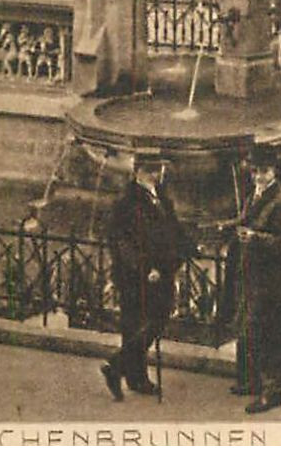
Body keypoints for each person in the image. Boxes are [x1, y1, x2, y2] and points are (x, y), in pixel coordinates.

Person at [101, 151, 191, 401]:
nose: (157, 175)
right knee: (138, 323)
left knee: (155, 319)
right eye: (151, 170)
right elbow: (121, 242)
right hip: (137, 274)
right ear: (137, 172)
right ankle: (127, 373)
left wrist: (188, 247)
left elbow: (172, 227)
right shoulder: (127, 202)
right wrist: (144, 268)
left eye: (159, 170)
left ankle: (126, 372)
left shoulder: (160, 196)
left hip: (161, 270)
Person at [229, 143, 281, 414]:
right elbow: (249, 219)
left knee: (269, 333)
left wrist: (255, 238)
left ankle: (273, 392)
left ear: (274, 171)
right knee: (250, 328)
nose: (258, 176)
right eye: (255, 171)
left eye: (264, 171)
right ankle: (251, 381)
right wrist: (231, 225)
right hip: (253, 275)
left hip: (271, 279)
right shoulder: (257, 194)